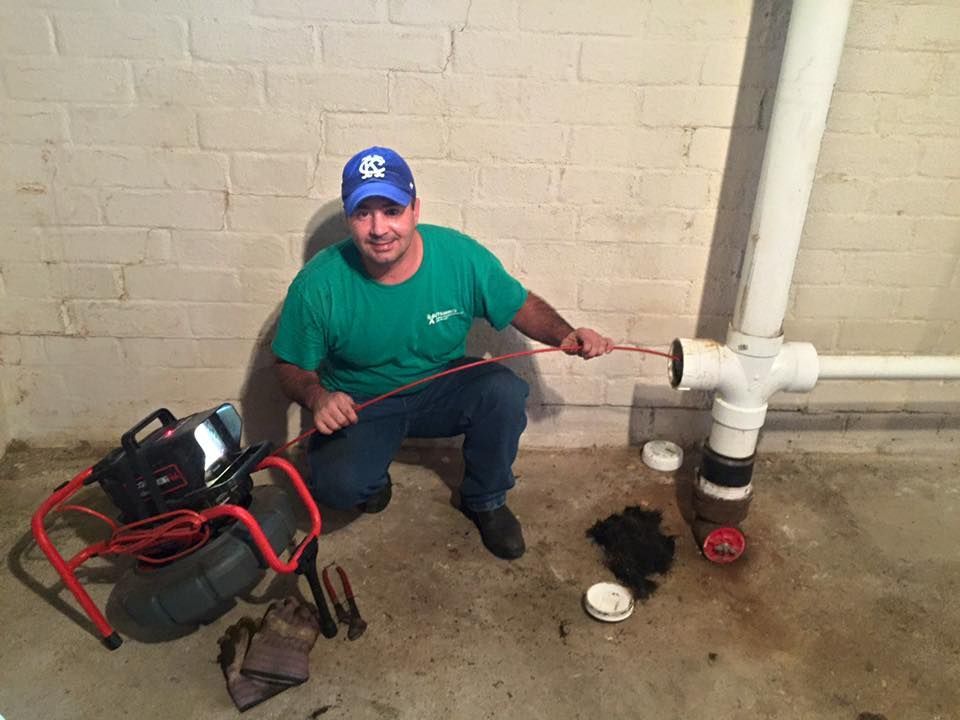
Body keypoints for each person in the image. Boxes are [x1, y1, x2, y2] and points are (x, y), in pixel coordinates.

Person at [272, 146, 613, 560]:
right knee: (337, 488)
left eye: (392, 210)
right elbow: (290, 365)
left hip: (440, 385)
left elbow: (517, 303)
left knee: (503, 392)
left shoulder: (458, 256)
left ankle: (485, 500)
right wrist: (317, 397)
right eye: (364, 213)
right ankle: (372, 475)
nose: (379, 228)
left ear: (415, 209)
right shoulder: (318, 285)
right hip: (364, 400)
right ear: (349, 218)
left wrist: (567, 334)